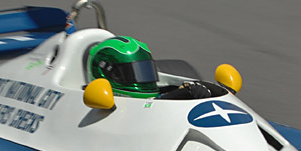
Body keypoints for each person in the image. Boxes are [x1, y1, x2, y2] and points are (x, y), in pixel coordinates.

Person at [88, 36, 225, 100]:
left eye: (144, 71)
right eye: (132, 73)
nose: (143, 79)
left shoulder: (154, 94)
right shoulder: (95, 98)